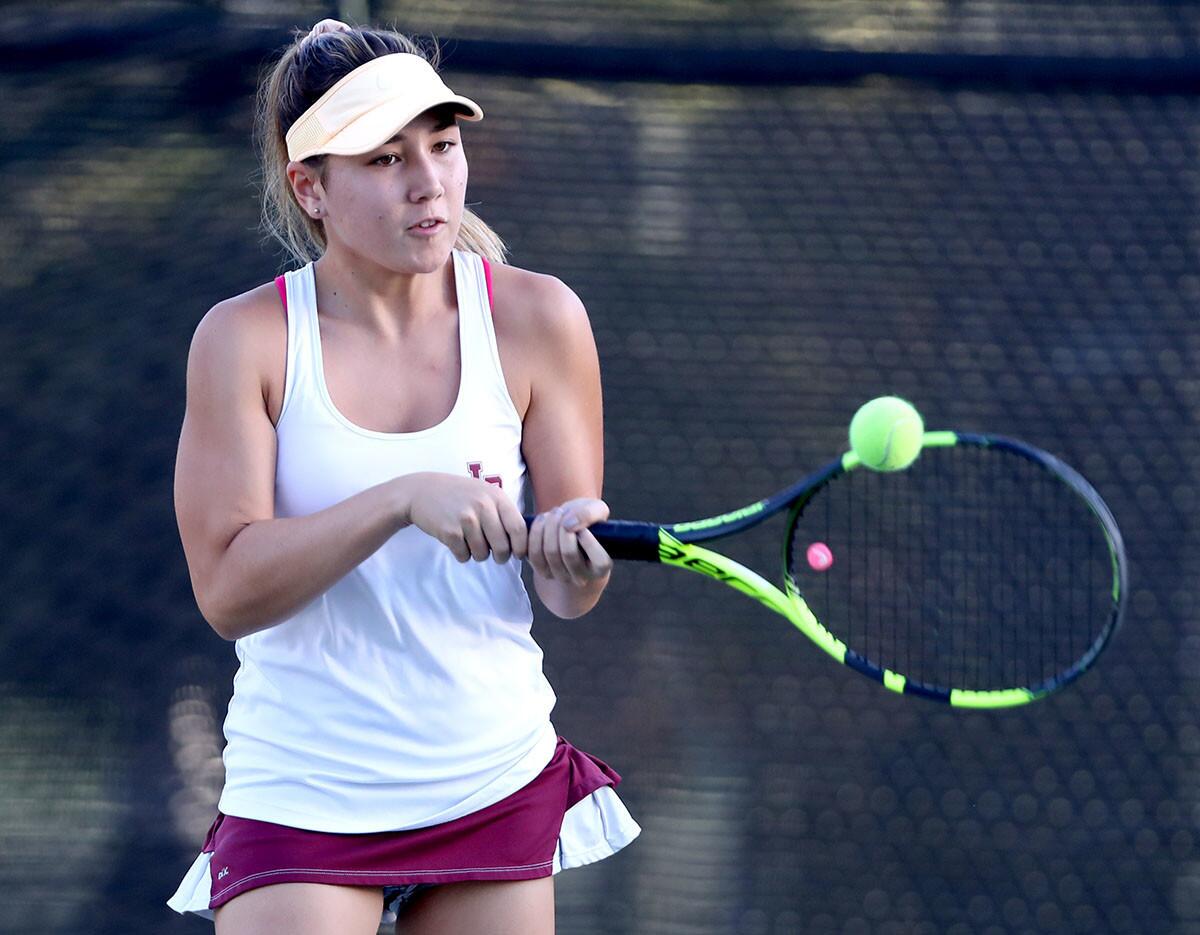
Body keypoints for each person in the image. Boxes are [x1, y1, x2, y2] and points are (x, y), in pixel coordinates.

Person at [166, 18, 639, 935]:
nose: (429, 182)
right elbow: (227, 589)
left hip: (491, 772)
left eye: (444, 144)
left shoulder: (541, 319)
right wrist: (399, 500)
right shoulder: (245, 340)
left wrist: (574, 563)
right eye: (384, 160)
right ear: (311, 187)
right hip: (305, 792)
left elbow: (567, 587)